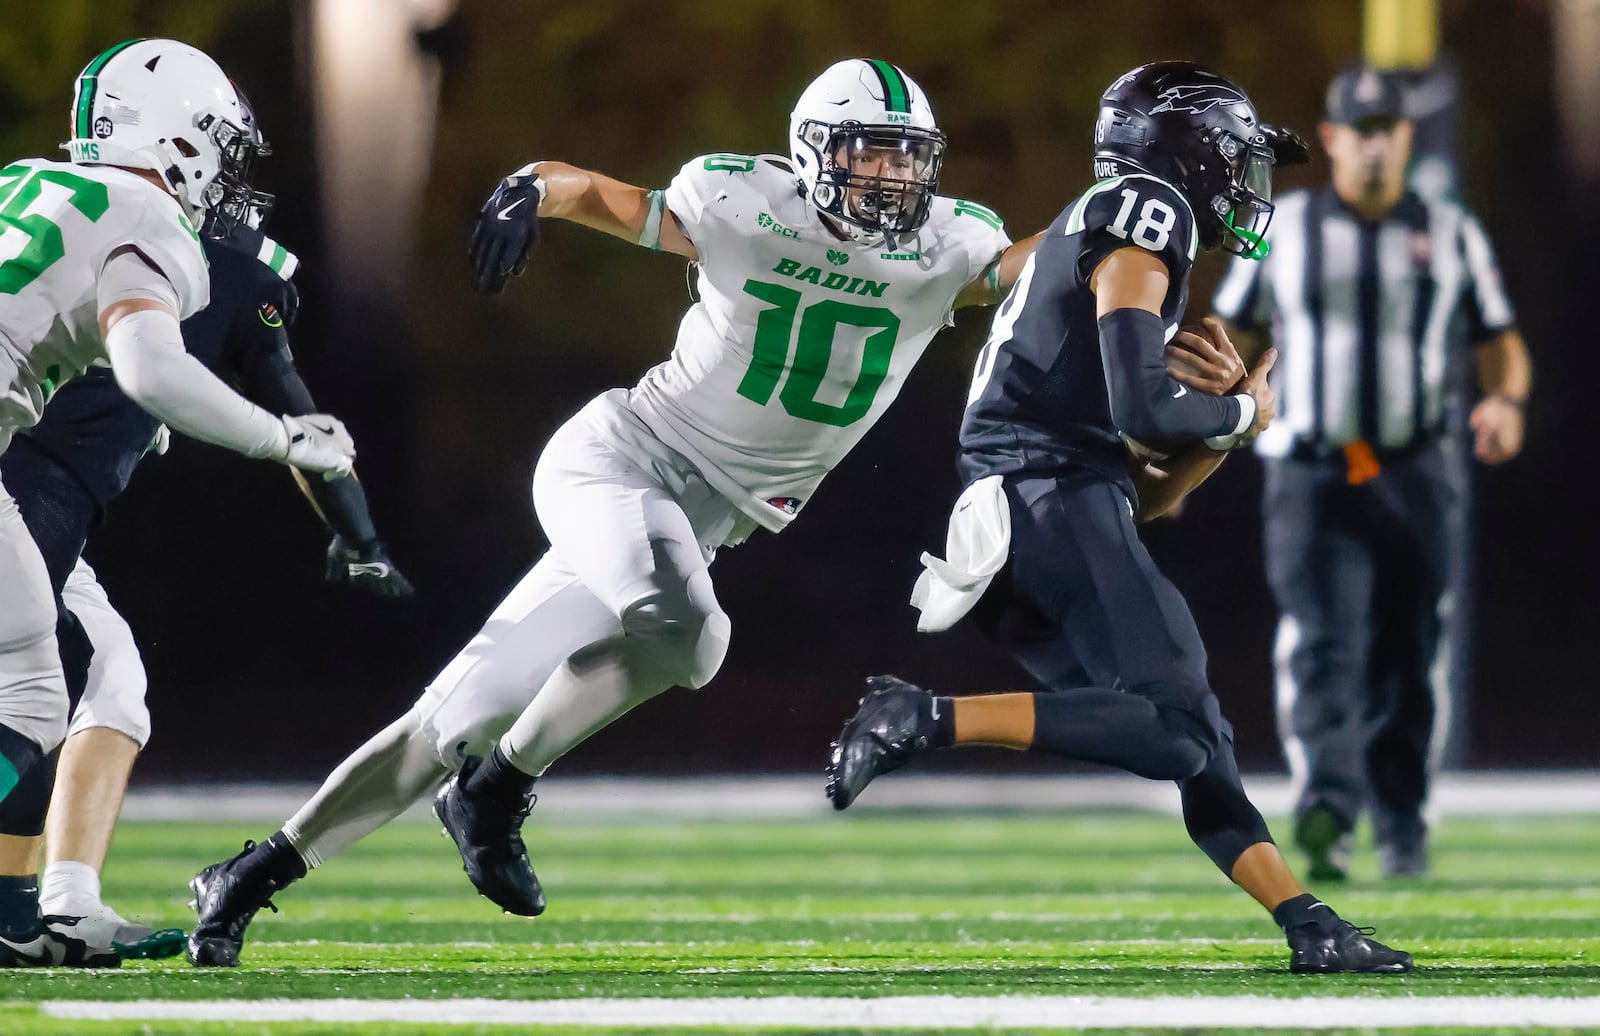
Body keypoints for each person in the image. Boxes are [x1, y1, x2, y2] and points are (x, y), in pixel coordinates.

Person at [182, 57, 1044, 967]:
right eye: (871, 154)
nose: (893, 178)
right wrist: (527, 190)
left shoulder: (949, 243)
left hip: (691, 522)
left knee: (449, 725)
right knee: (694, 635)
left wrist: (1118, 218)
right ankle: (499, 788)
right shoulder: (740, 202)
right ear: (814, 149)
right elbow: (597, 194)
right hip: (618, 464)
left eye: (908, 159)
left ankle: (248, 876)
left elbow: (1043, 264)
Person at [825, 62, 1414, 975]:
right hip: (1043, 494)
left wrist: (1222, 437)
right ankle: (920, 715)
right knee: (1176, 728)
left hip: (1041, 502)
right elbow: (1143, 408)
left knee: (1193, 737)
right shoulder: (1147, 206)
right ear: (1188, 148)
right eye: (1236, 154)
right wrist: (1245, 413)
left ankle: (1308, 922)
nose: (1245, 177)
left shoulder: (1111, 223)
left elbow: (1154, 494)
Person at [0, 92, 411, 961]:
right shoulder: (159, 228)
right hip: (31, 483)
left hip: (35, 485)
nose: (228, 175)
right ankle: (12, 916)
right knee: (36, 690)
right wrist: (291, 454)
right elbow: (165, 374)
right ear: (171, 133)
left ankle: (54, 907)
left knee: (107, 680)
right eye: (220, 147)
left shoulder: (28, 182)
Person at [1209, 65, 1530, 881]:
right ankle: (1328, 808)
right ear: (1333, 140)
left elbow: (1499, 337)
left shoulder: (1451, 232)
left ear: (1405, 138)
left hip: (1414, 467)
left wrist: (1505, 400)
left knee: (1408, 646)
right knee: (1323, 640)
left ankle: (1402, 818)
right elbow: (1232, 333)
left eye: (1388, 128)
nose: (1376, 145)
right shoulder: (1287, 228)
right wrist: (1197, 426)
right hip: (1311, 467)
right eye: (1362, 130)